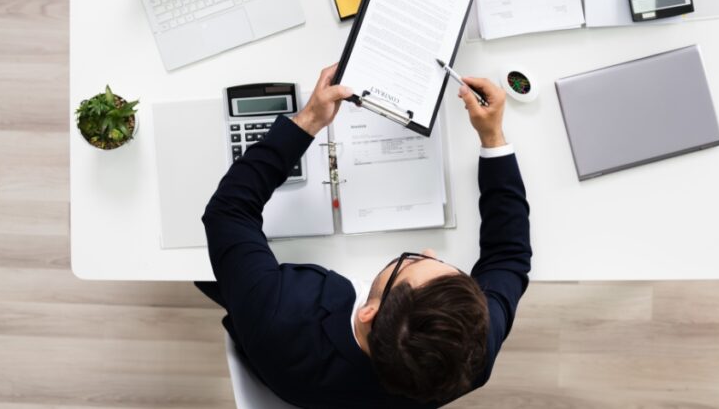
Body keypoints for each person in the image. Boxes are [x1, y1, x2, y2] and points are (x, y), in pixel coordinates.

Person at [198, 64, 531, 408]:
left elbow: (229, 211)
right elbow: (508, 256)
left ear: (368, 312)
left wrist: (310, 119)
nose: (429, 251)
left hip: (278, 345)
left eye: (411, 263)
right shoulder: (470, 353)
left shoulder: (278, 315)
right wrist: (493, 138)